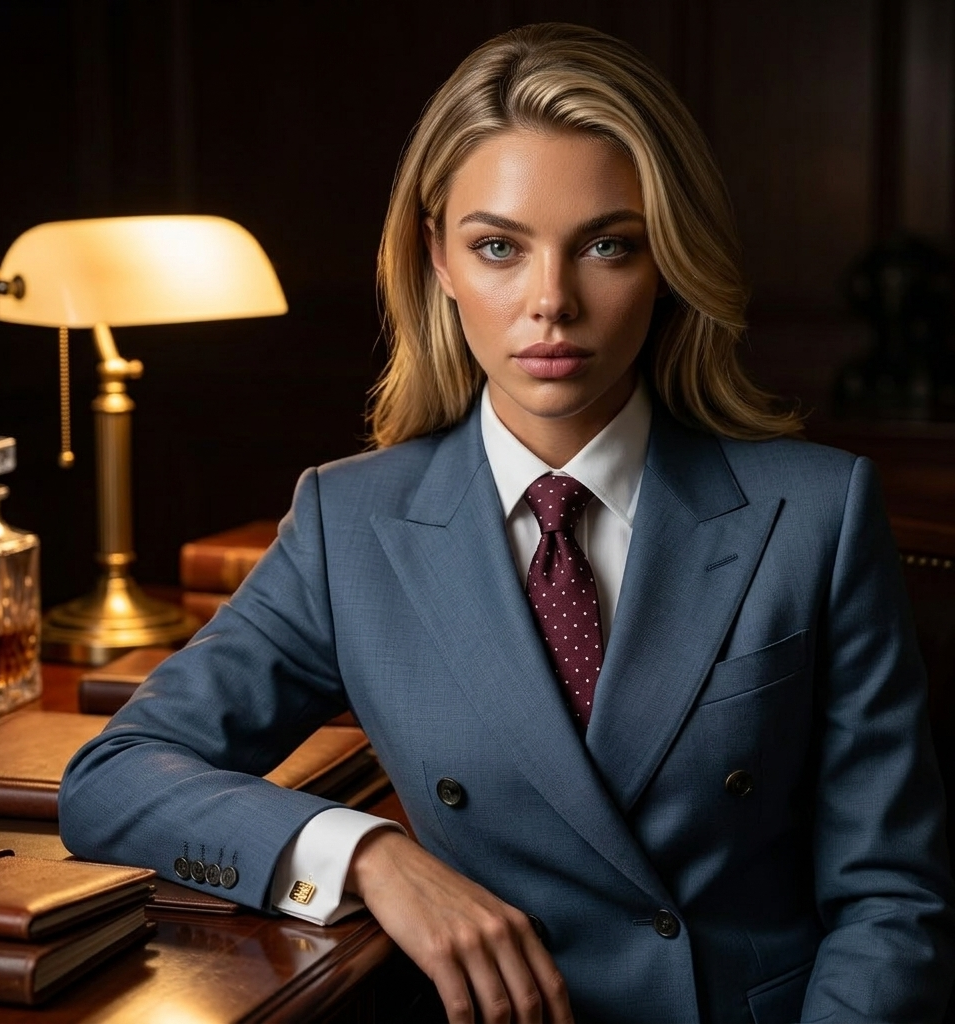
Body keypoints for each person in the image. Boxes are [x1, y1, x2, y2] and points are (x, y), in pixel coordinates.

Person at [58, 23, 955, 1024]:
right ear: (437, 258)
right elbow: (112, 778)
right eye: (499, 247)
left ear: (666, 260)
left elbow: (891, 901)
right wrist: (371, 855)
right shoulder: (351, 524)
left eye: (607, 245)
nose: (551, 303)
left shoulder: (817, 511)